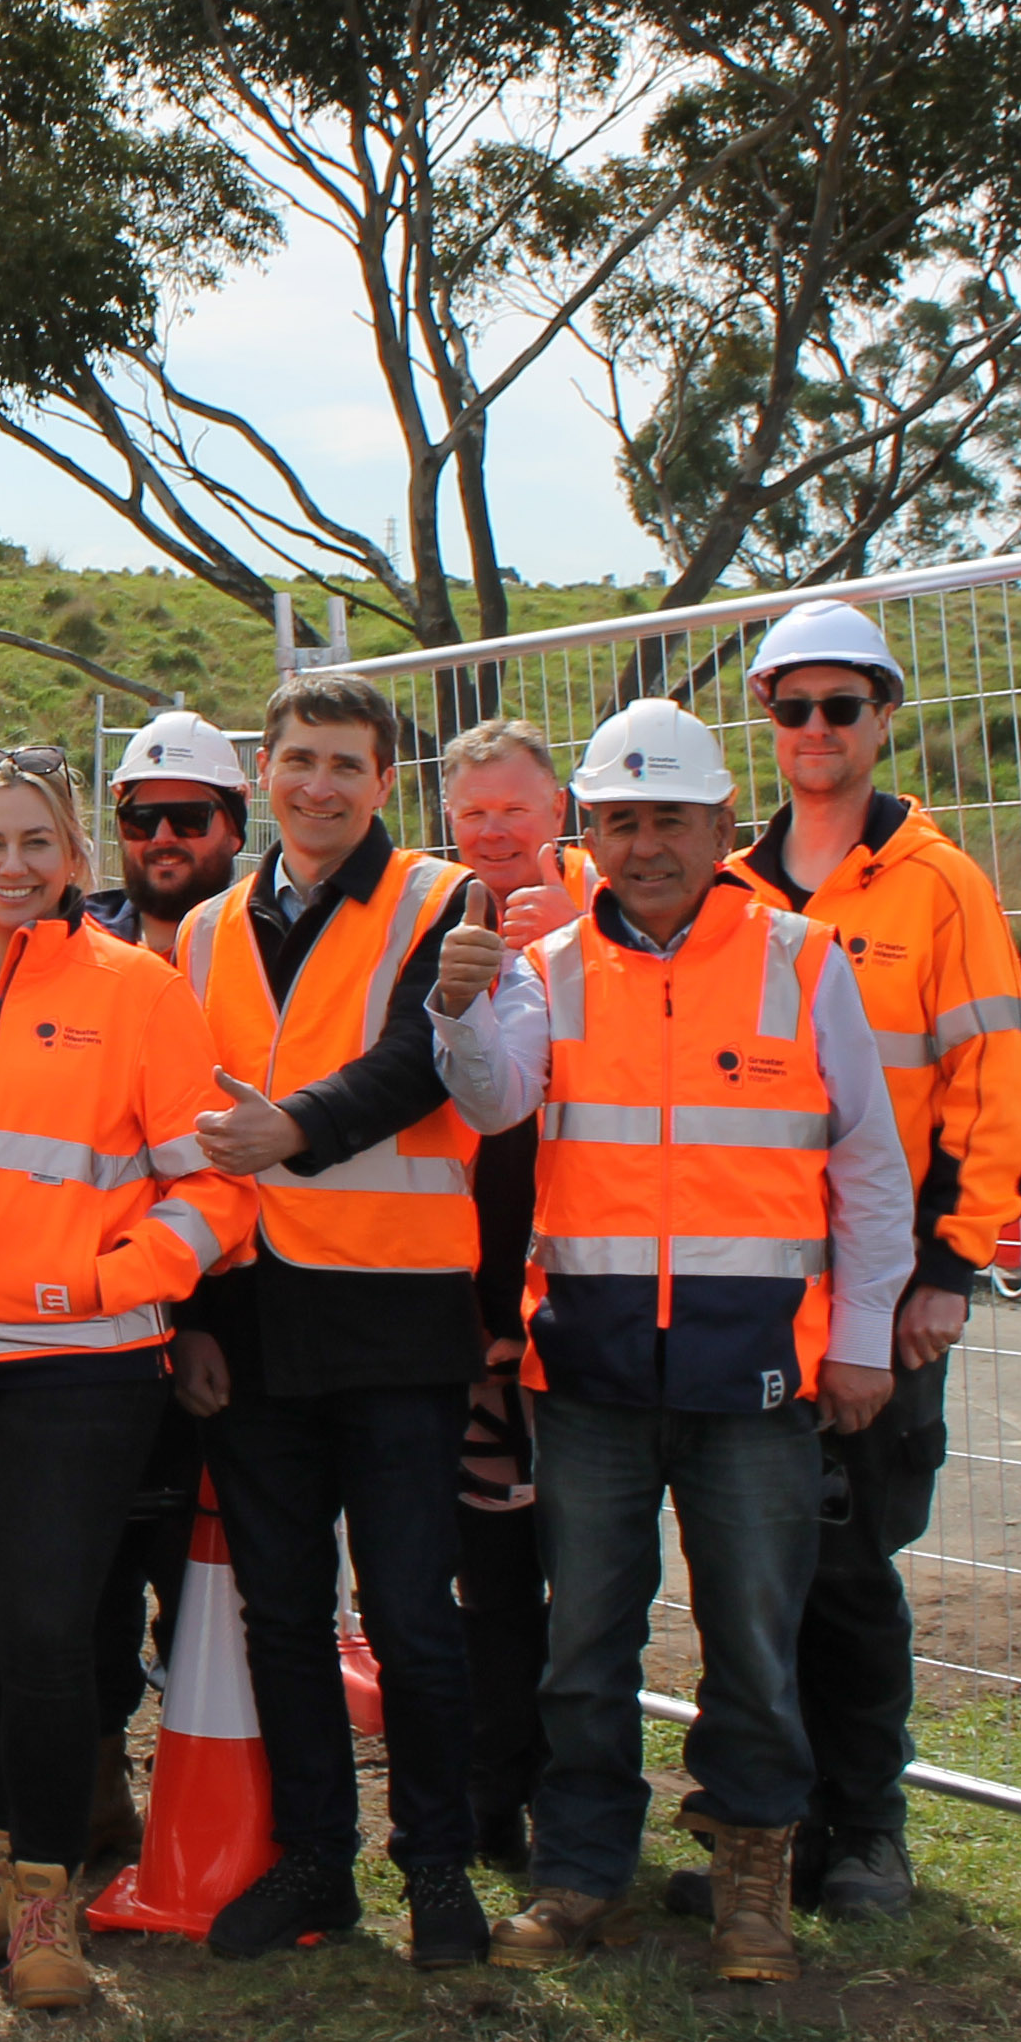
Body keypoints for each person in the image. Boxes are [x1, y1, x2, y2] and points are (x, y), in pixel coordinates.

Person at [445, 699, 914, 1984]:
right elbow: (495, 1100)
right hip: (588, 1370)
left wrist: (863, 1335)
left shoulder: (803, 960)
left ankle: (750, 1871)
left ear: (719, 825)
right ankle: (583, 1869)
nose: (642, 845)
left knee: (754, 1645)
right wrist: (459, 1012)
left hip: (755, 1372)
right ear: (585, 836)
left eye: (667, 820)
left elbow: (869, 1168)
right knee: (585, 1641)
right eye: (617, 822)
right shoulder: (549, 971)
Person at [0, 746, 253, 2013]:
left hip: (81, 1368)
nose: (11, 869)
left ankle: (47, 1901)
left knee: (46, 1627)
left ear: (75, 859)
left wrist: (122, 1277)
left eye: (36, 845)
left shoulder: (138, 989)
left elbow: (219, 1186)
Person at [675, 601, 1021, 1925]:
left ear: (885, 716)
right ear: (766, 720)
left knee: (846, 1562)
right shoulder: (735, 886)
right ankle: (762, 1826)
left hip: (884, 1288)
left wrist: (949, 1266)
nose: (818, 730)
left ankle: (866, 1827)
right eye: (794, 707)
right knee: (743, 1563)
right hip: (753, 1280)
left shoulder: (940, 885)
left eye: (845, 705)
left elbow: (994, 1084)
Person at [166, 673, 494, 1971]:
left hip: (398, 1316)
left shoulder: (435, 898)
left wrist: (294, 1125)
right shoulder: (202, 932)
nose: (318, 784)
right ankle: (315, 1858)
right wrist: (188, 1310)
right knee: (283, 1611)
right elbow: (183, 1128)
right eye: (298, 758)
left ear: (382, 780)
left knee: (412, 1610)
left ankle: (438, 1866)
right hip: (249, 1317)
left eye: (346, 764)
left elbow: (424, 1056)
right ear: (261, 767)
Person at [83, 710, 260, 1868]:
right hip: (89, 1315)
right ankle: (96, 1777)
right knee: (88, 1556)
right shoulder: (75, 950)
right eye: (140, 819)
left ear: (232, 826)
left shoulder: (248, 951)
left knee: (205, 1557)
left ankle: (221, 1785)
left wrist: (194, 1317)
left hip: (221, 1304)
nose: (161, 837)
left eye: (187, 818)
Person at [434, 717, 587, 1871]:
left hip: (587, 1310)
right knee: (484, 1570)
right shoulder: (420, 921)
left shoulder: (607, 933)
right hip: (465, 1307)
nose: (493, 831)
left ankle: (575, 1796)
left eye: (514, 811)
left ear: (557, 816)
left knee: (587, 1570)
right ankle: (493, 1800)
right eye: (474, 812)